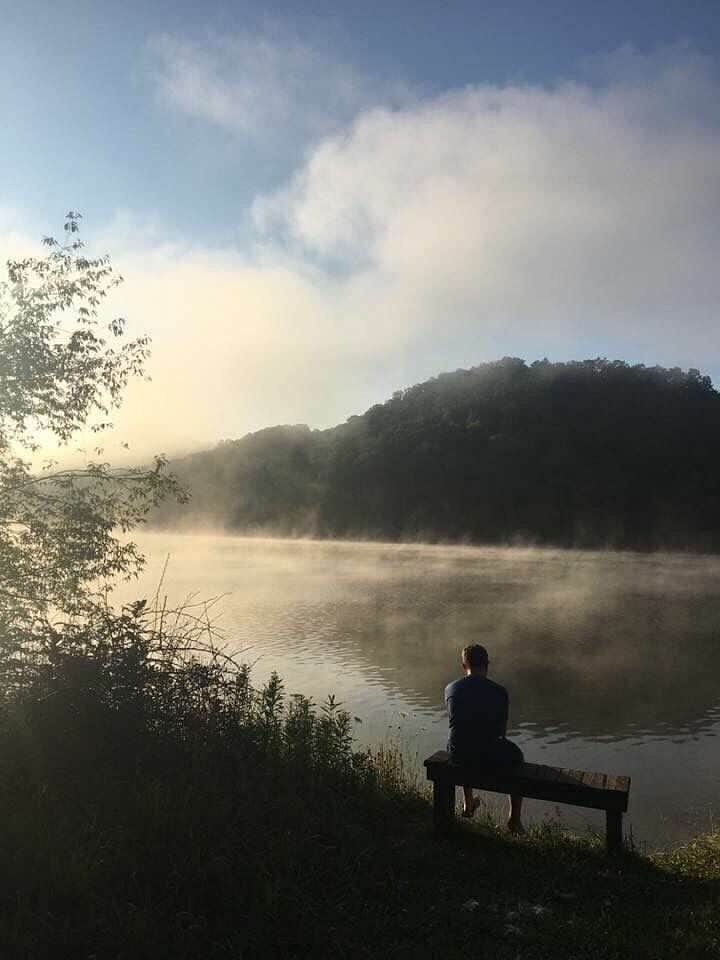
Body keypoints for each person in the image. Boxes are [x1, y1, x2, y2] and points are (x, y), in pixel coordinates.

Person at [444, 643, 525, 833]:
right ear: (487, 664)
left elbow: (457, 723)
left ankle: (468, 803)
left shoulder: (450, 689)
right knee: (517, 757)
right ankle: (514, 819)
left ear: (464, 666)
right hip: (489, 757)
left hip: (458, 755)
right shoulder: (499, 691)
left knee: (462, 739)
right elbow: (501, 732)